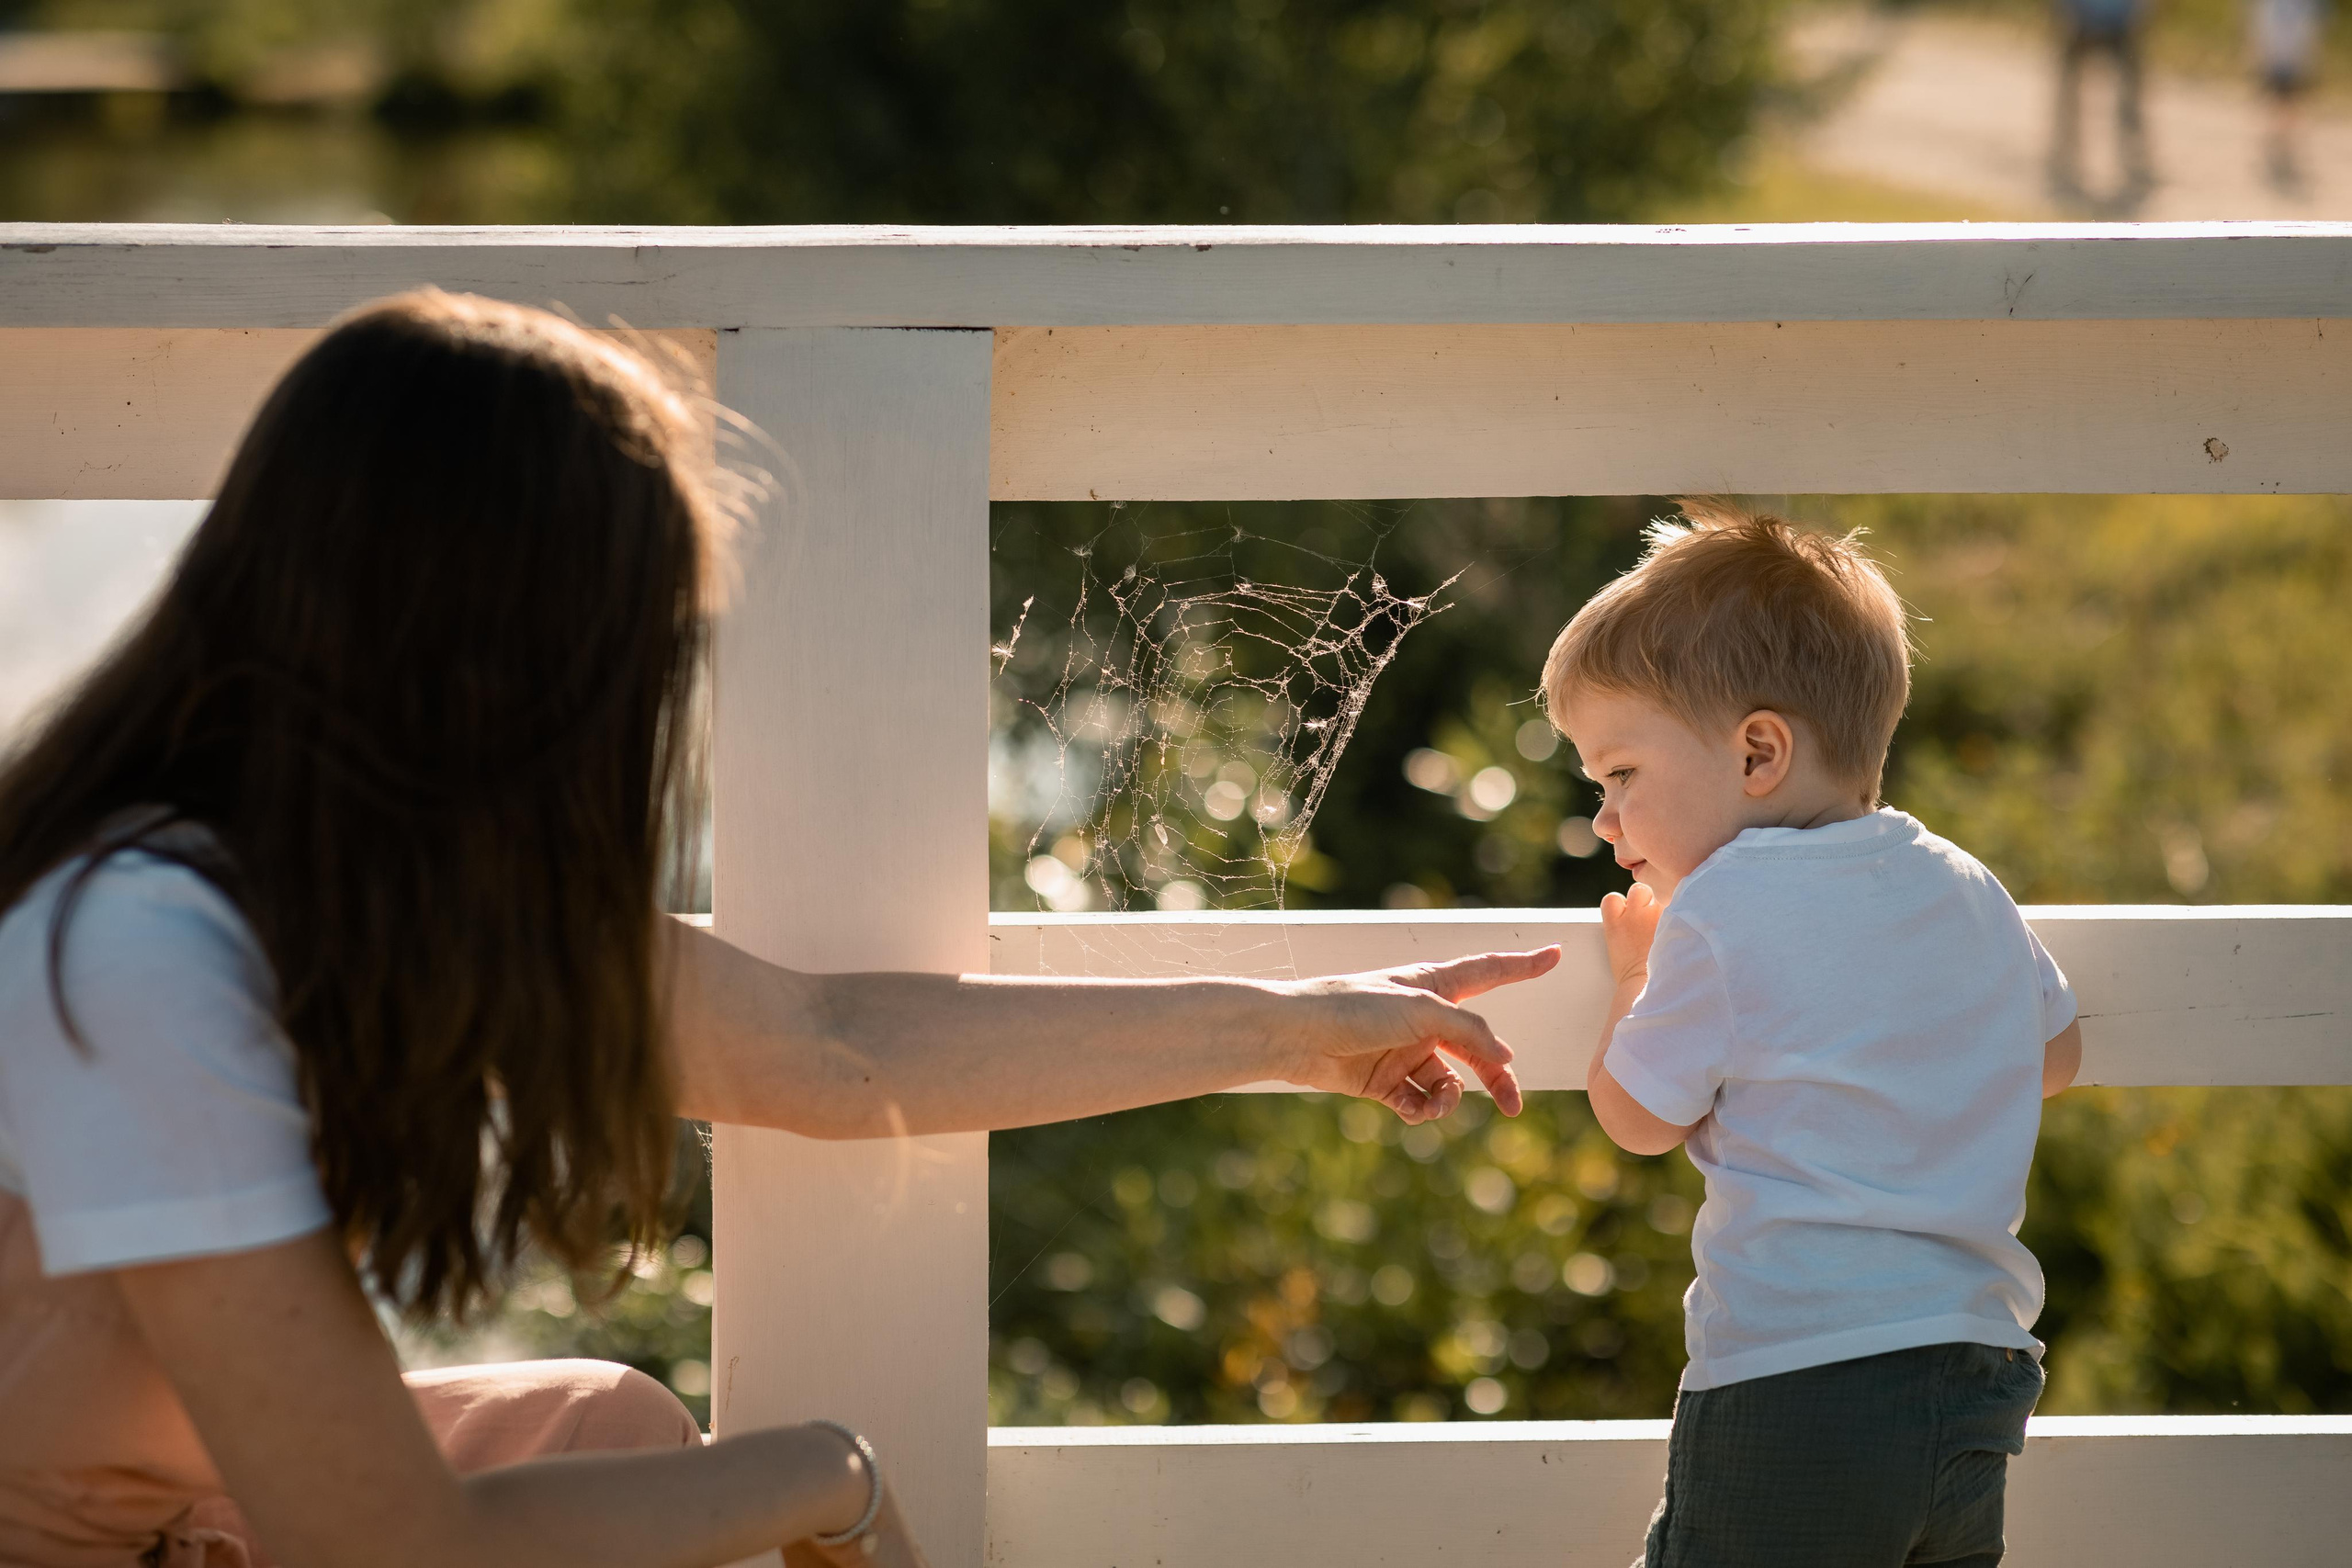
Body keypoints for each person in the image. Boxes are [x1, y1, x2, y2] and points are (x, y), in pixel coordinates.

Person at [0, 290, 1555, 1568]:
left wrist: (1306, 1023)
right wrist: (827, 1474)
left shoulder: (349, 879)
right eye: (635, 647)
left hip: (155, 1505)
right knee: (658, 1479)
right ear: (493, 648)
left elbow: (829, 1045)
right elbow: (382, 1540)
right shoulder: (134, 953)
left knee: (607, 1429)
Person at [1539, 503, 2082, 1568]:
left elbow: (1639, 1117)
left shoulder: (1719, 911)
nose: (1604, 821)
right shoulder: (1964, 881)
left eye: (1620, 776)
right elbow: (2053, 1057)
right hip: (1976, 1372)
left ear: (1756, 753)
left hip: (1797, 1385)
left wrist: (1636, 975)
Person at [2051, 0, 2154, 200]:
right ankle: (2065, 154)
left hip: (2119, 22)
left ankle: (2135, 157)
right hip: (2085, 20)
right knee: (2072, 94)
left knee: (2127, 96)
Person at [2250, 0, 2329, 191]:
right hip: (2279, 56)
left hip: (2294, 58)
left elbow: (2314, 28)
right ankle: (2279, 140)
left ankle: (2282, 140)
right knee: (2281, 100)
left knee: (2288, 101)